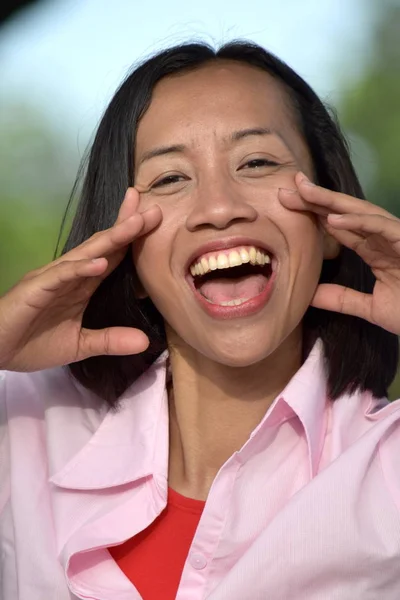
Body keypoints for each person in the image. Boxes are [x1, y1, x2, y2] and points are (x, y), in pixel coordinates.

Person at [1, 39, 400, 600]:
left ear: (330, 225)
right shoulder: (24, 428)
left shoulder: (387, 465)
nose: (219, 207)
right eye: (169, 178)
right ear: (130, 259)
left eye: (257, 162)